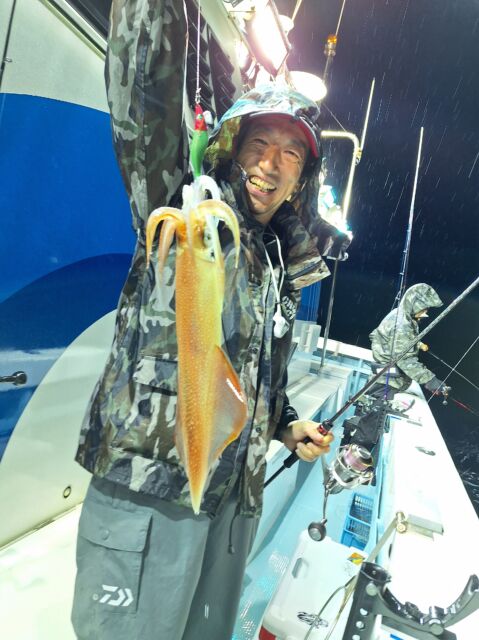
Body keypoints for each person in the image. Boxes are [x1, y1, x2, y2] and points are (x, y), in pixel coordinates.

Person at [71, 1, 350, 639]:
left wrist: (284, 425)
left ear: (301, 177)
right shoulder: (180, 209)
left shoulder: (277, 257)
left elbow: (249, 369)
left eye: (291, 154)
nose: (271, 164)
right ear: (230, 149)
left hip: (233, 507)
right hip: (153, 493)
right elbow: (143, 95)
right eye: (259, 145)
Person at [341, 283, 450, 454]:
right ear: (415, 303)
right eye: (424, 308)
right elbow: (406, 360)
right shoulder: (403, 324)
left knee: (366, 416)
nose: (426, 313)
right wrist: (431, 381)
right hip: (387, 382)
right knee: (369, 429)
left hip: (381, 377)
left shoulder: (401, 315)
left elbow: (380, 335)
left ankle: (350, 445)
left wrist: (416, 343)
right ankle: (353, 458)